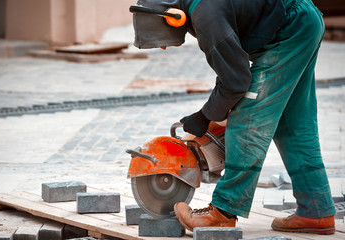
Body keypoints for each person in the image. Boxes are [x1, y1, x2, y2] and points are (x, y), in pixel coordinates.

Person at [130, 0, 336, 234]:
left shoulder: (206, 13)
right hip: (302, 22)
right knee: (293, 124)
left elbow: (237, 81)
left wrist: (205, 115)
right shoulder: (203, 7)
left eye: (162, 41)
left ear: (173, 17)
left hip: (291, 27)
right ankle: (316, 211)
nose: (165, 48)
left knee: (248, 120)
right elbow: (231, 70)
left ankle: (223, 212)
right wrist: (209, 113)